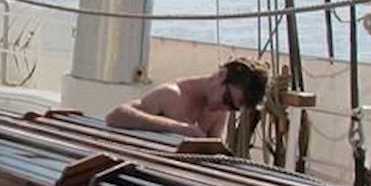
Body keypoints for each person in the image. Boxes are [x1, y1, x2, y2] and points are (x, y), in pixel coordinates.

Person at [104, 58, 268, 139]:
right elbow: (116, 116)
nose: (224, 107)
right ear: (221, 75)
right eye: (227, 99)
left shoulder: (217, 113)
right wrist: (176, 128)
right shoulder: (171, 95)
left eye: (232, 107)